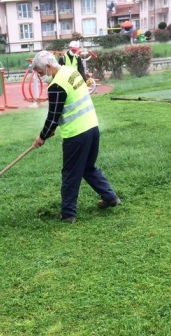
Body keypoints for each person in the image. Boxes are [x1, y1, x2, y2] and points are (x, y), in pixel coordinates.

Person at [31, 51, 121, 224]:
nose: (41, 77)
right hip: (92, 127)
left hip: (77, 134)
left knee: (71, 174)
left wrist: (41, 137)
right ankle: (110, 198)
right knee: (88, 167)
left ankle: (68, 214)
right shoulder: (70, 72)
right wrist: (51, 129)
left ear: (49, 67)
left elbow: (53, 116)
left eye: (41, 73)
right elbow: (67, 106)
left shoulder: (56, 85)